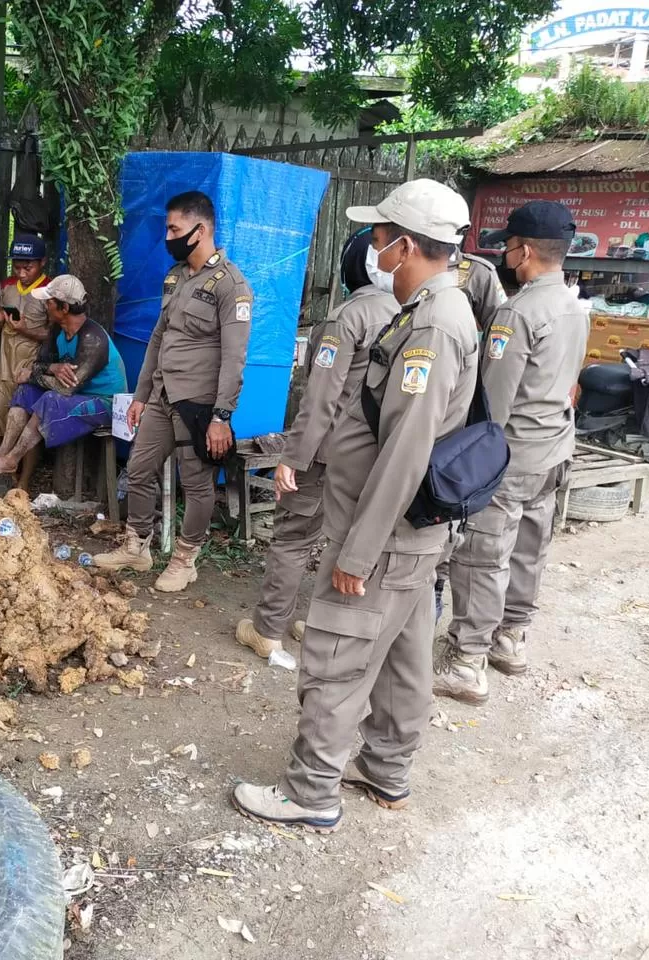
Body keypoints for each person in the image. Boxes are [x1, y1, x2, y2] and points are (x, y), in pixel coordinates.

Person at [231, 180, 478, 830]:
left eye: (381, 236)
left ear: (406, 246)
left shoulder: (432, 326)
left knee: (337, 659)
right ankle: (386, 769)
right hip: (407, 536)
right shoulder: (424, 311)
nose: (374, 247)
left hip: (384, 538)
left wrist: (358, 554)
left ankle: (310, 791)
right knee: (402, 657)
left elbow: (406, 450)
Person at [434, 201, 588, 704]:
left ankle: (467, 660)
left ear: (524, 251)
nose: (506, 255)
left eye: (509, 246)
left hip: (513, 455)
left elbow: (494, 403)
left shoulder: (517, 313)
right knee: (529, 548)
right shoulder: (574, 306)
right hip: (554, 450)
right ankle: (511, 638)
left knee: (482, 556)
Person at [233, 229, 399, 659]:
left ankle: (268, 630)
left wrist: (292, 457)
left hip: (327, 453)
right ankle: (329, 626)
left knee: (293, 538)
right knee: (348, 542)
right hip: (374, 455)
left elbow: (322, 398)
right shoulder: (405, 314)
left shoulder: (347, 319)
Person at [93, 191, 253, 592]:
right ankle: (137, 546)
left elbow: (234, 357)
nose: (168, 237)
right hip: (163, 396)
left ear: (200, 230)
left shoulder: (231, 285)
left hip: (199, 404)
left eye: (174, 229)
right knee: (139, 469)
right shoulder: (176, 277)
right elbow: (158, 338)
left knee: (196, 484)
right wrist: (141, 395)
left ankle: (185, 559)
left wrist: (222, 416)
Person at [0, 275, 127, 477]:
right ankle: (3, 451)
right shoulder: (58, 330)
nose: (45, 305)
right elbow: (40, 364)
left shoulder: (93, 339)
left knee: (50, 399)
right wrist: (53, 367)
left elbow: (66, 387)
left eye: (49, 302)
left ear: (64, 308)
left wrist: (33, 375)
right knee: (25, 392)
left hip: (106, 403)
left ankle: (12, 460)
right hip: (78, 395)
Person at [433, 250, 510, 618]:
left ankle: (435, 585)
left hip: (458, 404)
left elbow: (499, 331)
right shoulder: (401, 263)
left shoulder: (477, 273)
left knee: (443, 495)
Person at [0, 234, 50, 489]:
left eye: (28, 268)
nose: (21, 273)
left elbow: (53, 335)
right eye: (17, 267)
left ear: (42, 262)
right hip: (4, 365)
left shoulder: (49, 291)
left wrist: (24, 329)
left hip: (30, 368)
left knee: (27, 429)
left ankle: (23, 483)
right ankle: (6, 476)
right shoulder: (7, 286)